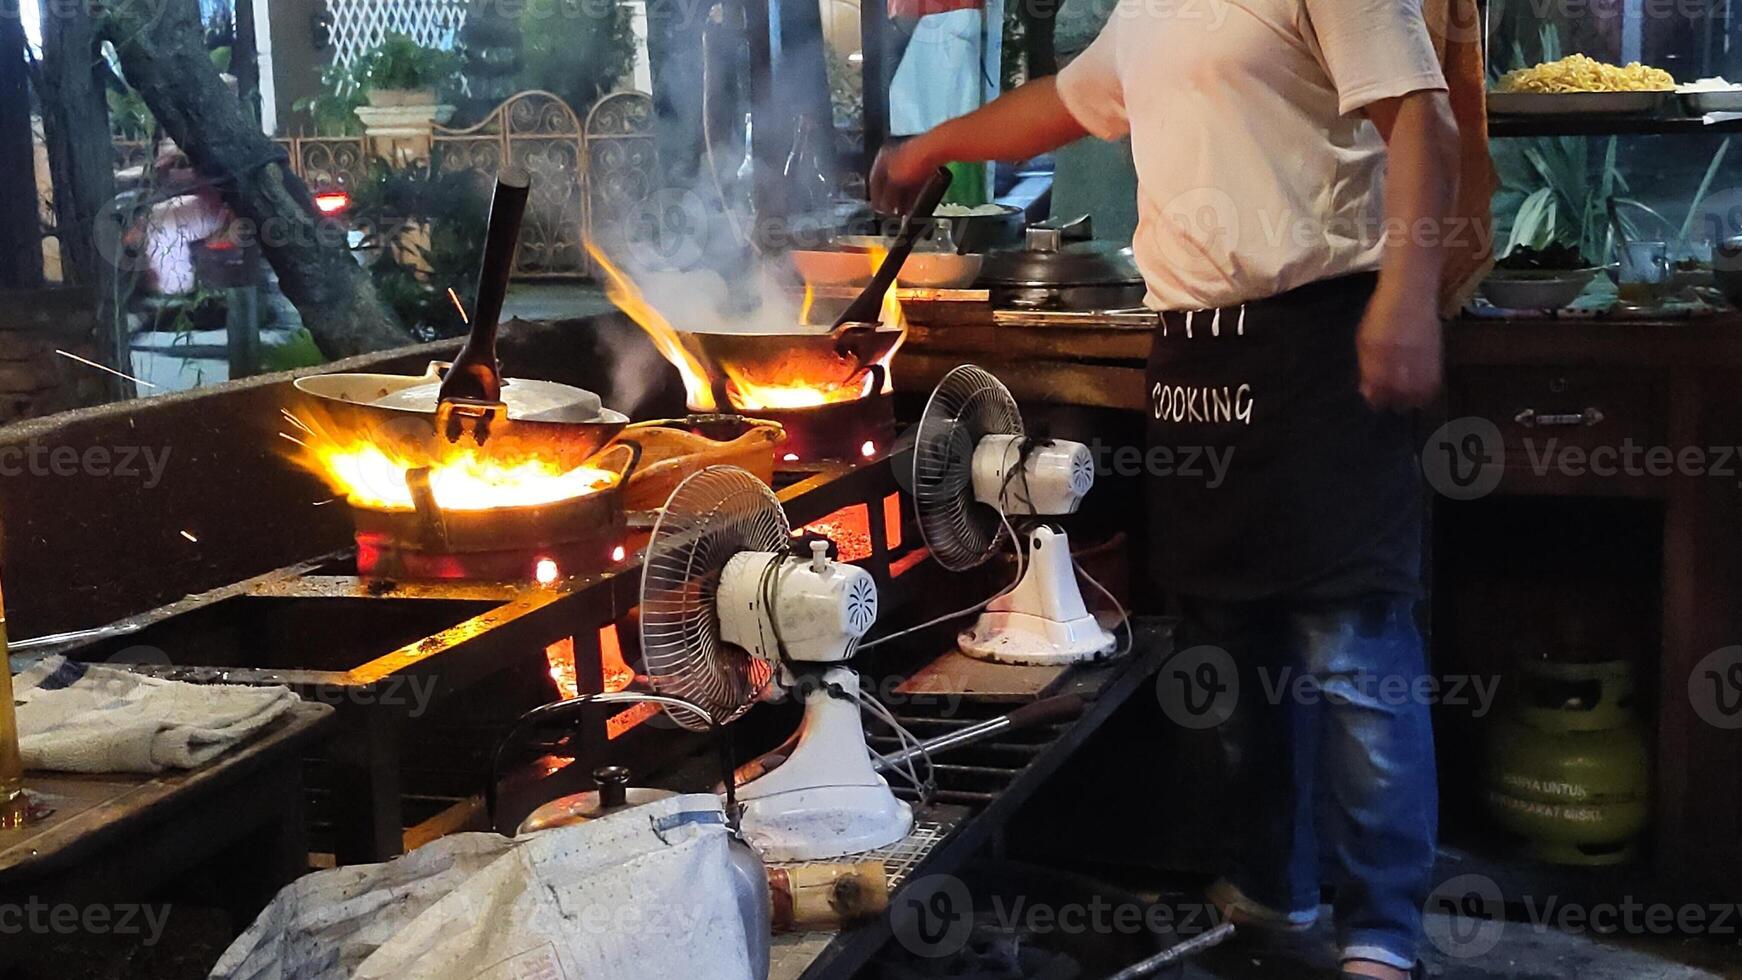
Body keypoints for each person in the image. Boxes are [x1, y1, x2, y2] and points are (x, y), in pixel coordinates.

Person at [872, 2, 1461, 978]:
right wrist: (930, 145)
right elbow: (1059, 106)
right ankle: (1270, 893)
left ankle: (1380, 932)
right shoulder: (1147, 10)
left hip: (1323, 337)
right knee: (1230, 642)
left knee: (1352, 648)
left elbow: (1421, 121)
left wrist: (1405, 295)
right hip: (1193, 354)